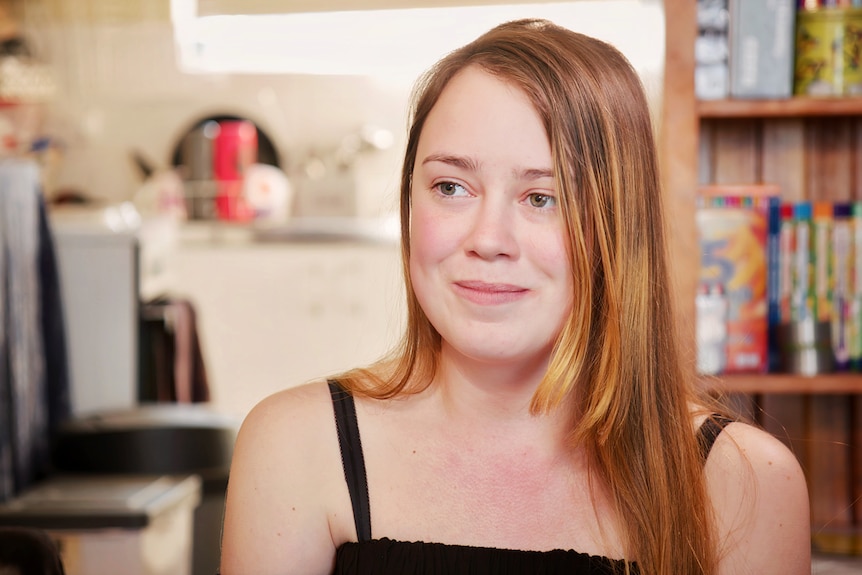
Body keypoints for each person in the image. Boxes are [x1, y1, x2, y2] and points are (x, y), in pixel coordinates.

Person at [219, 18, 811, 575]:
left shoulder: (743, 482)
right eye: (451, 187)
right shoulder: (294, 449)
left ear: (618, 229)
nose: (487, 239)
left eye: (541, 197)